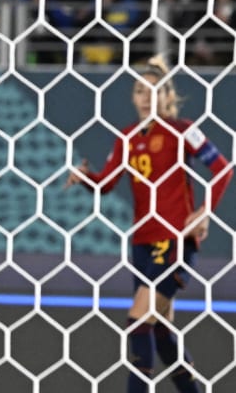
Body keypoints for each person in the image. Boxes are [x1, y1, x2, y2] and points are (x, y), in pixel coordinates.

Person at [66, 55, 232, 393]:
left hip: (173, 240)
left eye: (154, 90)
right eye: (140, 90)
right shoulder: (126, 137)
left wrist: (204, 212)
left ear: (167, 96)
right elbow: (106, 184)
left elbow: (222, 168)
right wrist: (86, 178)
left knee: (138, 322)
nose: (146, 96)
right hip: (141, 242)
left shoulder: (182, 130)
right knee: (159, 330)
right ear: (133, 96)